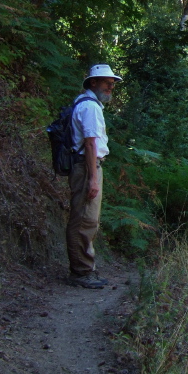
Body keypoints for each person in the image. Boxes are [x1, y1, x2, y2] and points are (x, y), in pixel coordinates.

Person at [65, 64, 121, 289]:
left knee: (88, 219)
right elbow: (90, 143)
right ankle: (81, 272)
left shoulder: (88, 104)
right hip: (87, 167)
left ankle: (86, 268)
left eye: (112, 83)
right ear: (93, 82)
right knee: (84, 220)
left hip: (88, 166)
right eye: (106, 82)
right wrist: (92, 178)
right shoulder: (89, 107)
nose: (111, 86)